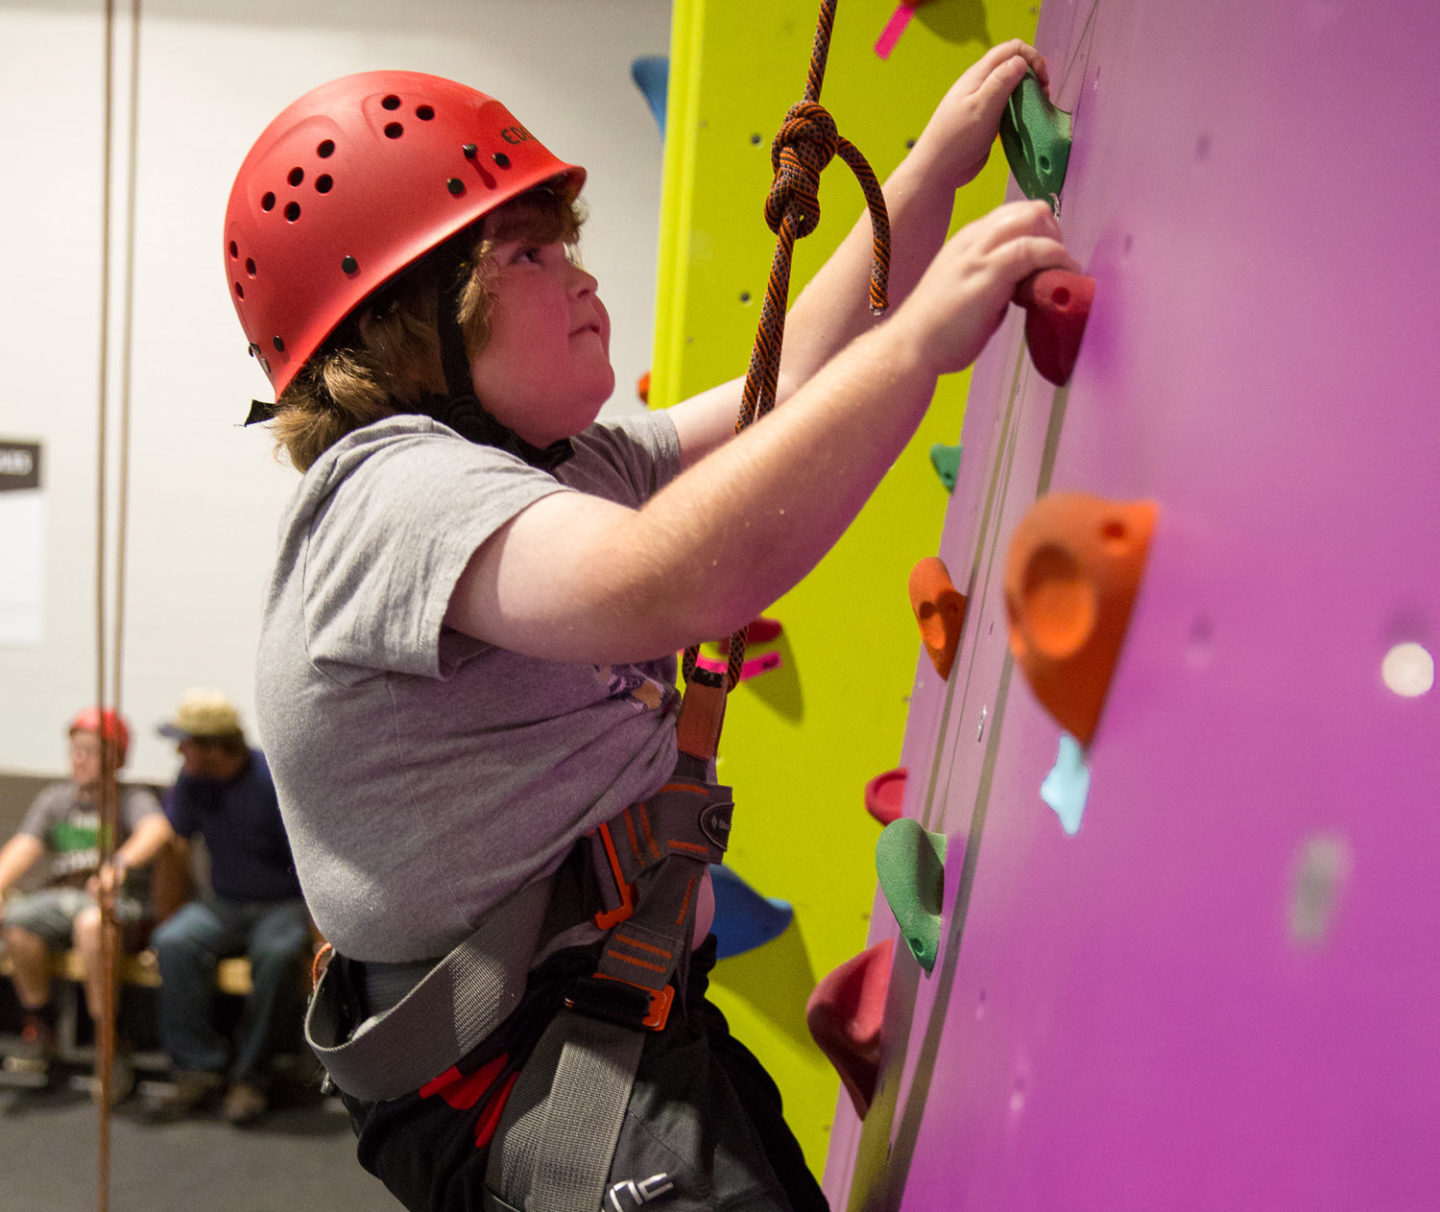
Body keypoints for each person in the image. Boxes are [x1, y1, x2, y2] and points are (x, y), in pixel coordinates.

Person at [234, 43, 1077, 1211]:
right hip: (534, 1085)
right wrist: (919, 347)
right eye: (527, 253)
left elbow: (774, 397)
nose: (581, 277)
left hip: (618, 1032)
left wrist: (930, 173)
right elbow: (663, 581)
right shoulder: (388, 493)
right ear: (407, 323)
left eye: (564, 241)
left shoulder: (557, 463)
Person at [146, 689, 311, 1125]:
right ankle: (197, 1068)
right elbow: (173, 842)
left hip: (282, 904)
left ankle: (252, 1076)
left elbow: (315, 857)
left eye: (187, 742)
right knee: (174, 940)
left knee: (278, 955)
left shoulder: (272, 779)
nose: (179, 751)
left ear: (216, 746)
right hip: (225, 903)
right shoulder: (190, 781)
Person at [0, 708, 172, 1099]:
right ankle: (40, 1029)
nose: (79, 759)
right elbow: (25, 846)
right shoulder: (55, 799)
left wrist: (119, 865)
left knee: (93, 924)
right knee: (18, 921)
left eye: (91, 751)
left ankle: (108, 1041)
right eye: (75, 750)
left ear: (116, 757)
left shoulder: (132, 798)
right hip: (61, 899)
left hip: (116, 903)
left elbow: (156, 830)